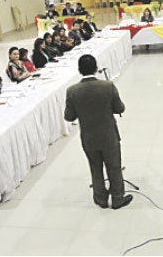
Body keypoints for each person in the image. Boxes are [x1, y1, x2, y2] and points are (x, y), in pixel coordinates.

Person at [64, 54, 132, 209]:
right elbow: (119, 108)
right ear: (95, 68)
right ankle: (117, 199)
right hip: (109, 136)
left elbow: (69, 117)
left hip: (88, 137)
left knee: (95, 168)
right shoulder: (108, 86)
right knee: (114, 167)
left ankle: (100, 199)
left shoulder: (72, 91)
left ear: (79, 70)